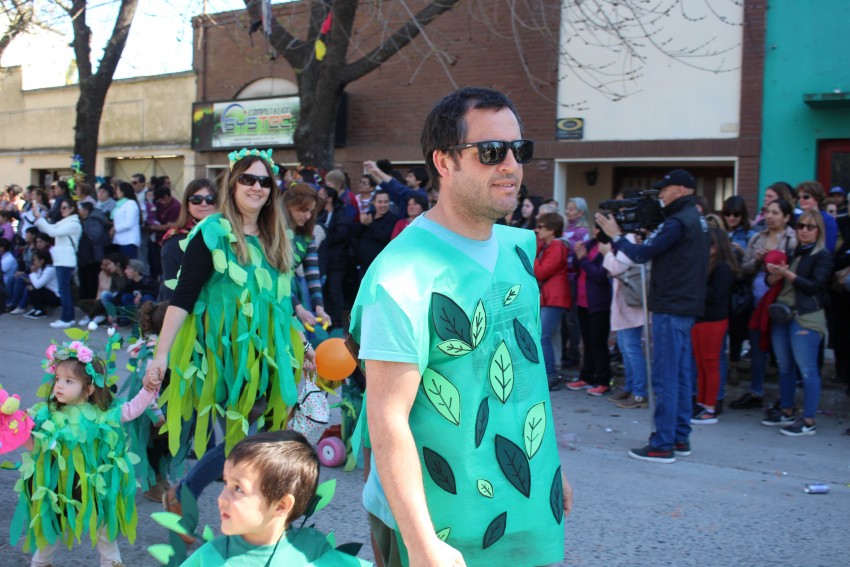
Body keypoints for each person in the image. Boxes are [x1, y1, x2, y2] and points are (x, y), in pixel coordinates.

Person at [350, 87, 572, 567]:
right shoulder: (402, 275)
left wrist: (550, 466)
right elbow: (387, 422)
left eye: (520, 150)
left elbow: (523, 379)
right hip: (437, 524)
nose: (512, 165)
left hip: (524, 500)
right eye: (491, 152)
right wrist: (421, 541)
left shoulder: (518, 251)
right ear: (444, 162)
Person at [151, 149, 315, 517]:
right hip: (230, 359)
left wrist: (303, 346)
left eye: (264, 181)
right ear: (232, 183)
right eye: (248, 179)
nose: (256, 187)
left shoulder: (277, 236)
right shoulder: (212, 232)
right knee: (244, 441)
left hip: (272, 357)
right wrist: (161, 356)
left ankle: (206, 501)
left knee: (270, 440)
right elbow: (183, 298)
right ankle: (196, 500)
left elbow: (280, 303)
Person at [12, 338, 163, 567]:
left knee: (104, 531)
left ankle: (111, 563)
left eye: (69, 381)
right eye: (58, 379)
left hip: (93, 487)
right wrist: (16, 428)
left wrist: (148, 389)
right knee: (50, 529)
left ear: (89, 388)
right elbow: (36, 446)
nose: (59, 386)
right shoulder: (45, 413)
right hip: (57, 487)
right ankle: (41, 563)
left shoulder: (101, 414)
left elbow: (131, 410)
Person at [596, 168, 710, 463]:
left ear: (681, 190)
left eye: (665, 188)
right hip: (684, 305)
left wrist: (616, 236)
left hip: (671, 307)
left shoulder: (677, 222)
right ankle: (679, 437)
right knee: (681, 375)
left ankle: (662, 444)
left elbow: (642, 254)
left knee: (666, 376)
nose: (660, 194)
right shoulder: (695, 219)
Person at [180, 430, 370, 566]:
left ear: (281, 505)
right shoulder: (212, 556)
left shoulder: (313, 550)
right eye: (225, 483)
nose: (221, 499)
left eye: (238, 489)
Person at [760, 210, 832, 436]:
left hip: (806, 317)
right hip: (782, 314)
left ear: (819, 230)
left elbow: (814, 285)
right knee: (784, 366)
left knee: (808, 369)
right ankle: (787, 409)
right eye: (801, 226)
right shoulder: (792, 252)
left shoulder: (823, 256)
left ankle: (808, 419)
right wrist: (774, 273)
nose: (804, 231)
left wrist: (787, 274)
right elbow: (770, 282)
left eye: (810, 227)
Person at [729, 199, 798, 410]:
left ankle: (785, 400)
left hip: (782, 303)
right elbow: (745, 268)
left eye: (775, 213)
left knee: (783, 353)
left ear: (786, 217)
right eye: (768, 212)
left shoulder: (794, 239)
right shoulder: (757, 238)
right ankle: (755, 392)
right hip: (757, 303)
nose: (769, 216)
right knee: (757, 349)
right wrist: (757, 261)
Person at [690, 228, 737, 425]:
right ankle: (702, 402)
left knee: (710, 363)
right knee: (701, 364)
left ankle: (710, 406)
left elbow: (717, 296)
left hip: (714, 320)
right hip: (700, 319)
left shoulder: (723, 269)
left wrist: (697, 284)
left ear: (716, 247)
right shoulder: (705, 266)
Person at [601, 231, 649, 409]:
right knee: (625, 347)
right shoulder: (627, 238)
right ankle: (630, 387)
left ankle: (639, 393)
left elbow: (616, 268)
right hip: (626, 303)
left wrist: (607, 253)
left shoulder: (629, 239)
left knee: (631, 348)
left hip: (631, 304)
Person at [567, 226, 613, 396]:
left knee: (598, 342)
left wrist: (584, 259)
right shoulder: (590, 244)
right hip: (582, 301)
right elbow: (577, 263)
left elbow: (600, 275)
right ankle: (586, 377)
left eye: (599, 227)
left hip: (599, 303)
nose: (595, 230)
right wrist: (578, 254)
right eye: (595, 226)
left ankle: (603, 380)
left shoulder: (609, 247)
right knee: (586, 341)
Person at [159, 178, 217, 301]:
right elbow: (171, 287)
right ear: (187, 204)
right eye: (196, 200)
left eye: (210, 199)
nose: (204, 204)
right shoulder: (175, 240)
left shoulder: (226, 235)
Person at [282, 182, 332, 326]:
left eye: (311, 211)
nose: (308, 216)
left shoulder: (307, 237)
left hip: (293, 296)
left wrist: (319, 308)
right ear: (288, 206)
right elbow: (276, 277)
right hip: (273, 296)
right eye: (303, 210)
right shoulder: (275, 233)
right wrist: (298, 307)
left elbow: (312, 273)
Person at [533, 211, 571, 388]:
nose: (537, 230)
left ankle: (550, 375)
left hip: (555, 297)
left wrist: (531, 255)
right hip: (550, 297)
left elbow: (541, 272)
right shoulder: (549, 245)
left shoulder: (557, 247)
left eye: (541, 226)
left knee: (543, 336)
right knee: (549, 335)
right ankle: (552, 370)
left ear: (552, 229)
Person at [32, 196, 81, 329]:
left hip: (66, 260)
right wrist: (38, 216)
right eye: (61, 208)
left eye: (65, 208)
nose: (62, 210)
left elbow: (51, 232)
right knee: (63, 289)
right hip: (61, 259)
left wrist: (40, 218)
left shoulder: (74, 224)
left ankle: (67, 318)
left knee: (64, 290)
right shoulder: (64, 222)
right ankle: (67, 317)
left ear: (72, 209)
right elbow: (47, 228)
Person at [560, 197, 591, 370]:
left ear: (580, 212)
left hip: (574, 278)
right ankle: (564, 353)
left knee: (572, 319)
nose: (568, 211)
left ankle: (573, 354)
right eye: (567, 208)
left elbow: (580, 254)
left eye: (572, 209)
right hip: (563, 277)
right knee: (564, 319)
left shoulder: (582, 231)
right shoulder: (565, 229)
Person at [317, 186, 354, 328]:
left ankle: (337, 322)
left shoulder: (340, 213)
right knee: (324, 292)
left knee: (335, 290)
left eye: (321, 194)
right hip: (324, 260)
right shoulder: (320, 213)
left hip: (337, 260)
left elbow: (343, 233)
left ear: (329, 197)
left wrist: (324, 237)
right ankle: (327, 320)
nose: (318, 197)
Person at [354, 189, 399, 280]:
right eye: (380, 202)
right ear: (374, 203)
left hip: (380, 266)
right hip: (363, 265)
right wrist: (362, 224)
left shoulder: (393, 219)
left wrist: (370, 224)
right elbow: (355, 234)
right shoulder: (369, 215)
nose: (383, 205)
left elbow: (384, 237)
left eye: (386, 202)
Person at [8, 249, 58, 318]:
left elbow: (37, 285)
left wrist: (33, 272)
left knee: (33, 287)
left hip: (55, 297)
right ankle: (36, 308)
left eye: (35, 260)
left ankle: (41, 311)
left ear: (42, 260)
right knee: (29, 286)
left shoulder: (50, 269)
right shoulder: (41, 268)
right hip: (47, 293)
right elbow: (35, 281)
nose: (33, 262)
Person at [77, 201, 111, 300]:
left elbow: (95, 236)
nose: (79, 211)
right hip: (87, 256)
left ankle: (91, 304)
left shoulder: (93, 220)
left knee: (91, 281)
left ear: (86, 211)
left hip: (92, 256)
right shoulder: (88, 220)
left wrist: (83, 235)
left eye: (81, 209)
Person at [112, 181, 142, 259]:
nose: (116, 192)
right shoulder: (120, 204)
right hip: (119, 240)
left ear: (123, 192)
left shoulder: (130, 203)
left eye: (118, 190)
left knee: (128, 264)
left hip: (128, 240)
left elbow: (129, 223)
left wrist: (115, 229)